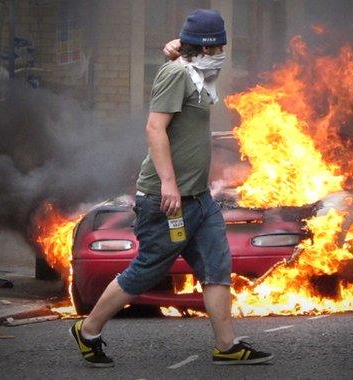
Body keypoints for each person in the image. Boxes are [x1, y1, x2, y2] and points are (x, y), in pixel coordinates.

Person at [70, 9, 273, 367]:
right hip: (167, 200)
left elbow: (186, 65)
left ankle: (226, 346)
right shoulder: (177, 74)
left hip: (199, 199)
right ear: (208, 48)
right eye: (220, 47)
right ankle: (88, 330)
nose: (224, 53)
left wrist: (177, 48)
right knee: (147, 270)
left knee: (215, 266)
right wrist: (168, 184)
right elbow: (154, 128)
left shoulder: (197, 73)